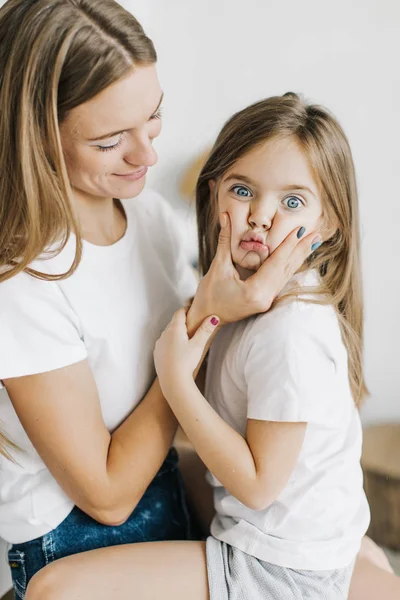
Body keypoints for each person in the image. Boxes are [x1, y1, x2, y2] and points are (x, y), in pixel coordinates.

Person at [25, 94, 400, 600]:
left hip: (279, 567)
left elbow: (258, 486)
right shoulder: (244, 298)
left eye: (292, 202)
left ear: (327, 224)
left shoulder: (290, 331)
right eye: (243, 190)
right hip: (287, 542)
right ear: (212, 194)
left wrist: (176, 379)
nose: (261, 216)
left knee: (54, 588)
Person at [0, 1, 317, 597]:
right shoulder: (21, 279)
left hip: (162, 481)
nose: (146, 155)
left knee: (351, 556)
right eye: (111, 139)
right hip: (79, 533)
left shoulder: (145, 214)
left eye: (154, 117)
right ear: (36, 135)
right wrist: (206, 317)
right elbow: (108, 495)